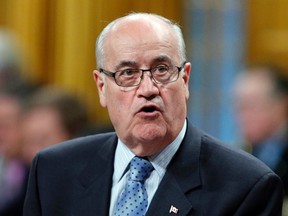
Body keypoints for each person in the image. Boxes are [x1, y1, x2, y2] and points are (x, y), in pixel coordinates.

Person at [23, 13, 283, 216]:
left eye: (161, 69)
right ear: (102, 87)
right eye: (127, 73)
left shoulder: (246, 186)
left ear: (185, 79)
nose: (148, 89)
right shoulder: (53, 171)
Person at [233, 64, 288, 195]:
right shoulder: (239, 153)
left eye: (251, 106)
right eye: (239, 107)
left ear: (281, 105)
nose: (242, 116)